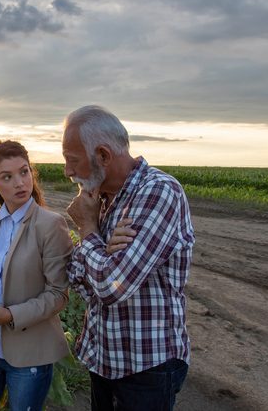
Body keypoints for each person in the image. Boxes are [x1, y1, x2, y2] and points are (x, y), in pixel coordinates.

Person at [62, 105, 195, 411]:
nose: (68, 171)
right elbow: (80, 280)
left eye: (72, 161)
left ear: (103, 156)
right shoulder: (104, 200)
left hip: (145, 366)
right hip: (105, 358)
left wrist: (87, 228)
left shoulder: (159, 192)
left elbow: (110, 286)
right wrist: (104, 251)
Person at [0, 140, 74, 411]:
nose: (20, 182)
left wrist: (9, 316)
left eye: (24, 172)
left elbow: (58, 295)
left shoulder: (50, 224)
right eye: (7, 177)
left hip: (29, 353)